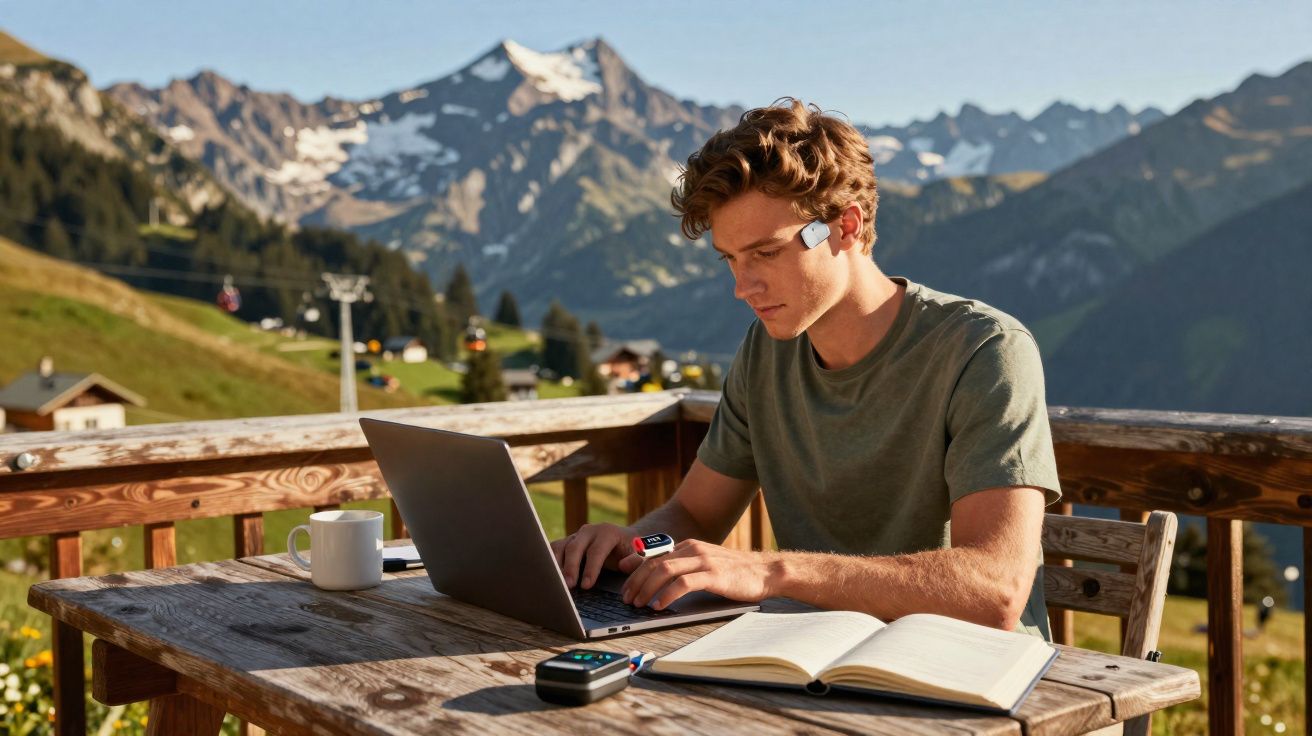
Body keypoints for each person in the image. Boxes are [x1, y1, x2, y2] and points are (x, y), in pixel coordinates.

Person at [551, 99, 1062, 638]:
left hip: (969, 676)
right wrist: (630, 545)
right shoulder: (766, 352)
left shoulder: (983, 349)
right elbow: (696, 516)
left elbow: (994, 590)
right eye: (731, 259)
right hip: (812, 658)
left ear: (844, 227)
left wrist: (771, 570)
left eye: (766, 253)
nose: (742, 288)